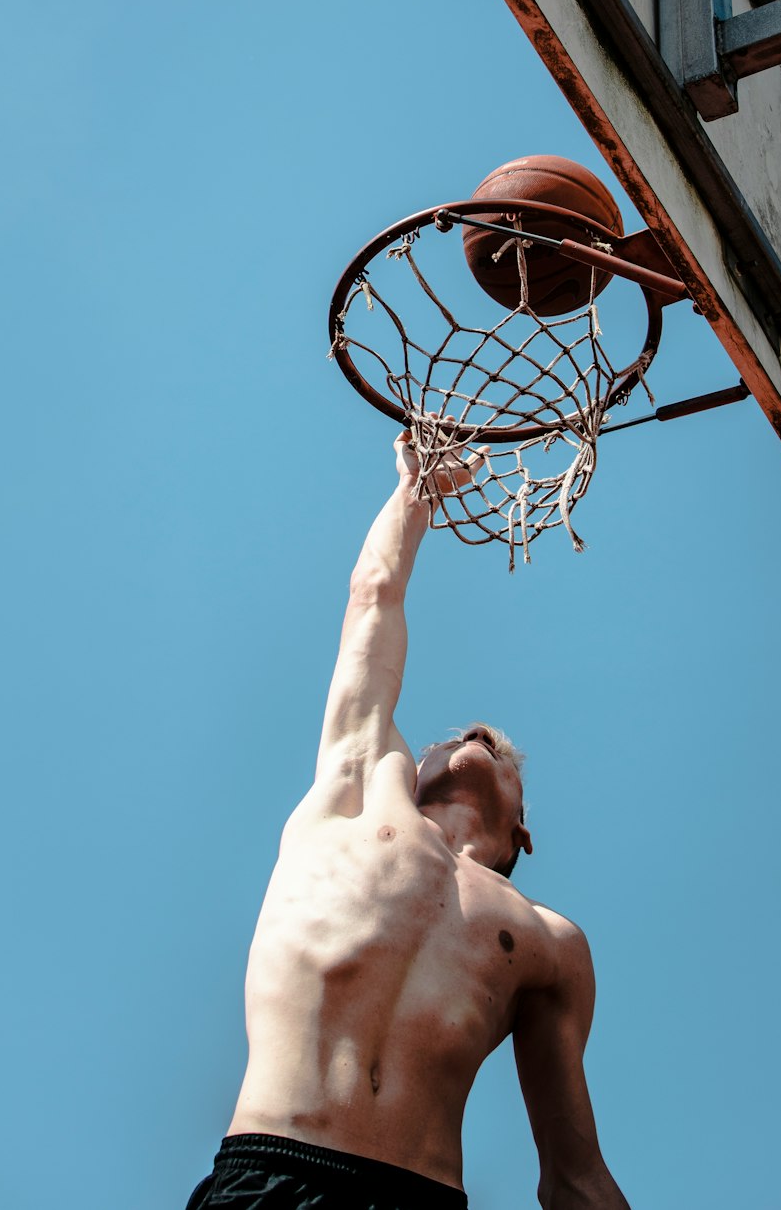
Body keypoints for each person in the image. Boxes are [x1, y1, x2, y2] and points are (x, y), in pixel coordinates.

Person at [186, 434, 629, 1210]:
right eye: (447, 736)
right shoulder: (360, 782)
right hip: (268, 1174)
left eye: (504, 751)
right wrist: (417, 490)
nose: (474, 734)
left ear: (523, 829)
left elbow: (574, 1177)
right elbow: (373, 598)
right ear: (415, 763)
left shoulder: (550, 942)